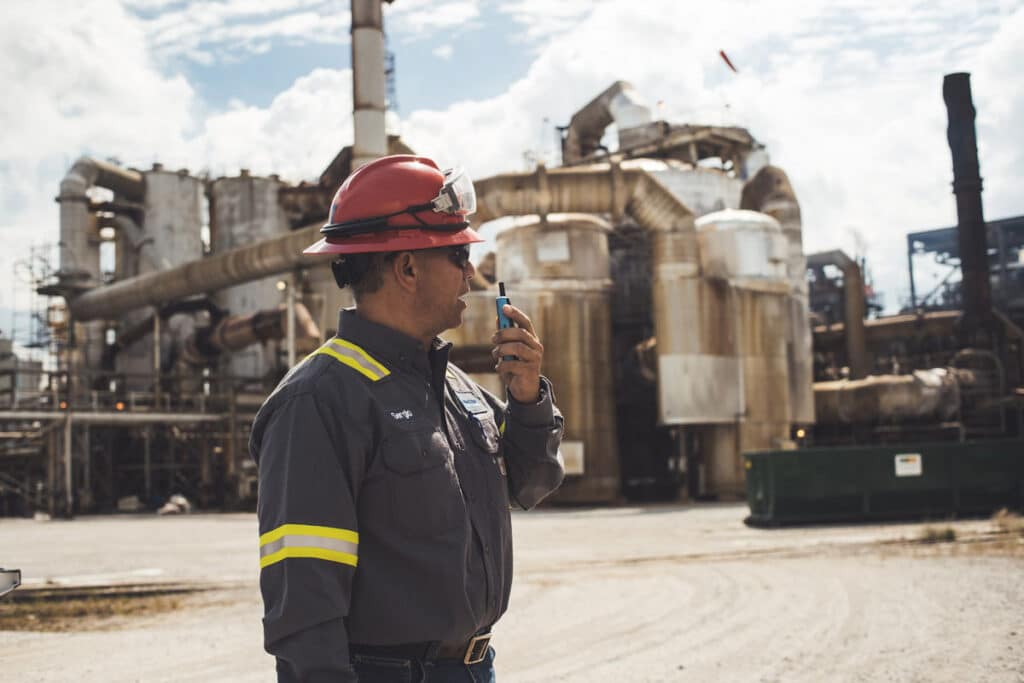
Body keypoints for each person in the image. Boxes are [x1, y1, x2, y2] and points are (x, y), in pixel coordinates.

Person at [250, 154, 565, 682]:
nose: (470, 271)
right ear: (408, 268)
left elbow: (532, 483)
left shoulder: (452, 384)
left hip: (471, 669)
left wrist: (529, 398)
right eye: (459, 254)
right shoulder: (318, 401)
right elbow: (304, 604)